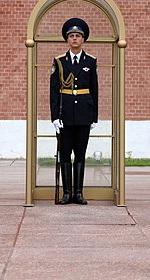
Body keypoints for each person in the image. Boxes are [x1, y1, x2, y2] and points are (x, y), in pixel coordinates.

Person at [50, 18, 98, 205]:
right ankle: (66, 193)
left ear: (83, 39)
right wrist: (54, 117)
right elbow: (54, 91)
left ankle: (78, 193)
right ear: (67, 40)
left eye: (78, 36)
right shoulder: (59, 62)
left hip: (84, 114)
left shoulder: (91, 61)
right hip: (65, 115)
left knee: (80, 154)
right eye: (71, 36)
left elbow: (94, 90)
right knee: (64, 154)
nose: (75, 39)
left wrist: (94, 116)